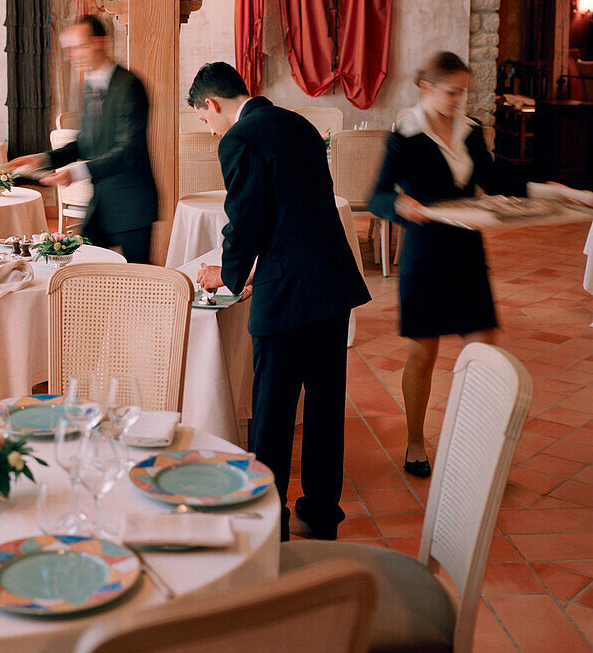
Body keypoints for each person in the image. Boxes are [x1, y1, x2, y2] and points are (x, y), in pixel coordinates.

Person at [370, 51, 593, 478]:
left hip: (467, 251)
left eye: (463, 93)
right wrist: (401, 204)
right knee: (423, 352)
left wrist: (553, 191)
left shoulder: (470, 131)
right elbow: (379, 193)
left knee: (483, 351)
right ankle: (416, 441)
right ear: (427, 88)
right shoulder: (405, 134)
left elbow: (497, 181)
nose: (459, 100)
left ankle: (475, 447)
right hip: (426, 254)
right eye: (452, 92)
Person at [190, 63, 370, 542]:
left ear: (212, 104)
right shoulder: (299, 124)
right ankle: (323, 512)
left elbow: (246, 221)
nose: (211, 131)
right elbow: (294, 211)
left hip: (288, 290)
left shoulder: (240, 137)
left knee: (272, 408)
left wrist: (227, 277)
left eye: (205, 120)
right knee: (326, 404)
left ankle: (273, 518)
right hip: (331, 282)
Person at [8, 14, 158, 264]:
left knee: (140, 279)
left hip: (132, 203)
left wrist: (75, 173)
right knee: (84, 269)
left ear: (100, 42)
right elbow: (85, 143)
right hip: (101, 202)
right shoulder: (88, 87)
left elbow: (129, 150)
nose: (72, 56)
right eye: (69, 49)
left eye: (78, 47)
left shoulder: (129, 85)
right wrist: (43, 158)